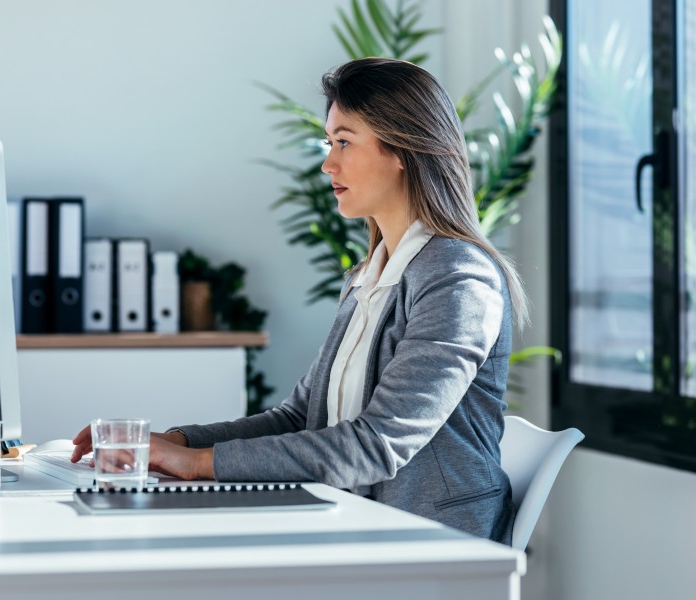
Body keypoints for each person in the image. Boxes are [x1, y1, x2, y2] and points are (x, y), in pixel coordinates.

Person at [71, 57, 527, 545]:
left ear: (403, 149)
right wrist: (174, 443)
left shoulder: (458, 278)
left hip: (433, 543)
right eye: (330, 143)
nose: (329, 163)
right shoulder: (368, 280)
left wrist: (199, 464)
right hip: (354, 522)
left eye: (345, 142)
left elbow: (376, 444)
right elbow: (297, 419)